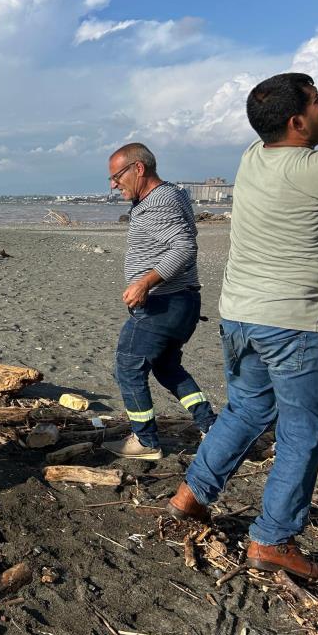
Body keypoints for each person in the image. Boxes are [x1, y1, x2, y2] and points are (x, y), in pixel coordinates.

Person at [167, 73, 318, 580]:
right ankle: (271, 540)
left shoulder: (253, 155)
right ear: (296, 120)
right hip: (294, 324)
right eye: (317, 99)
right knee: (305, 432)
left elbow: (312, 133)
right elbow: (317, 141)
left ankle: (190, 496)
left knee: (246, 409)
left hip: (240, 316)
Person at [103, 143, 216, 460]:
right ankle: (210, 425)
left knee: (128, 368)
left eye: (116, 176)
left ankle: (145, 441)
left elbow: (184, 248)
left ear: (138, 168)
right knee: (167, 367)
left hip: (163, 305)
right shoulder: (172, 194)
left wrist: (144, 282)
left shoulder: (159, 202)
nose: (113, 184)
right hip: (183, 302)